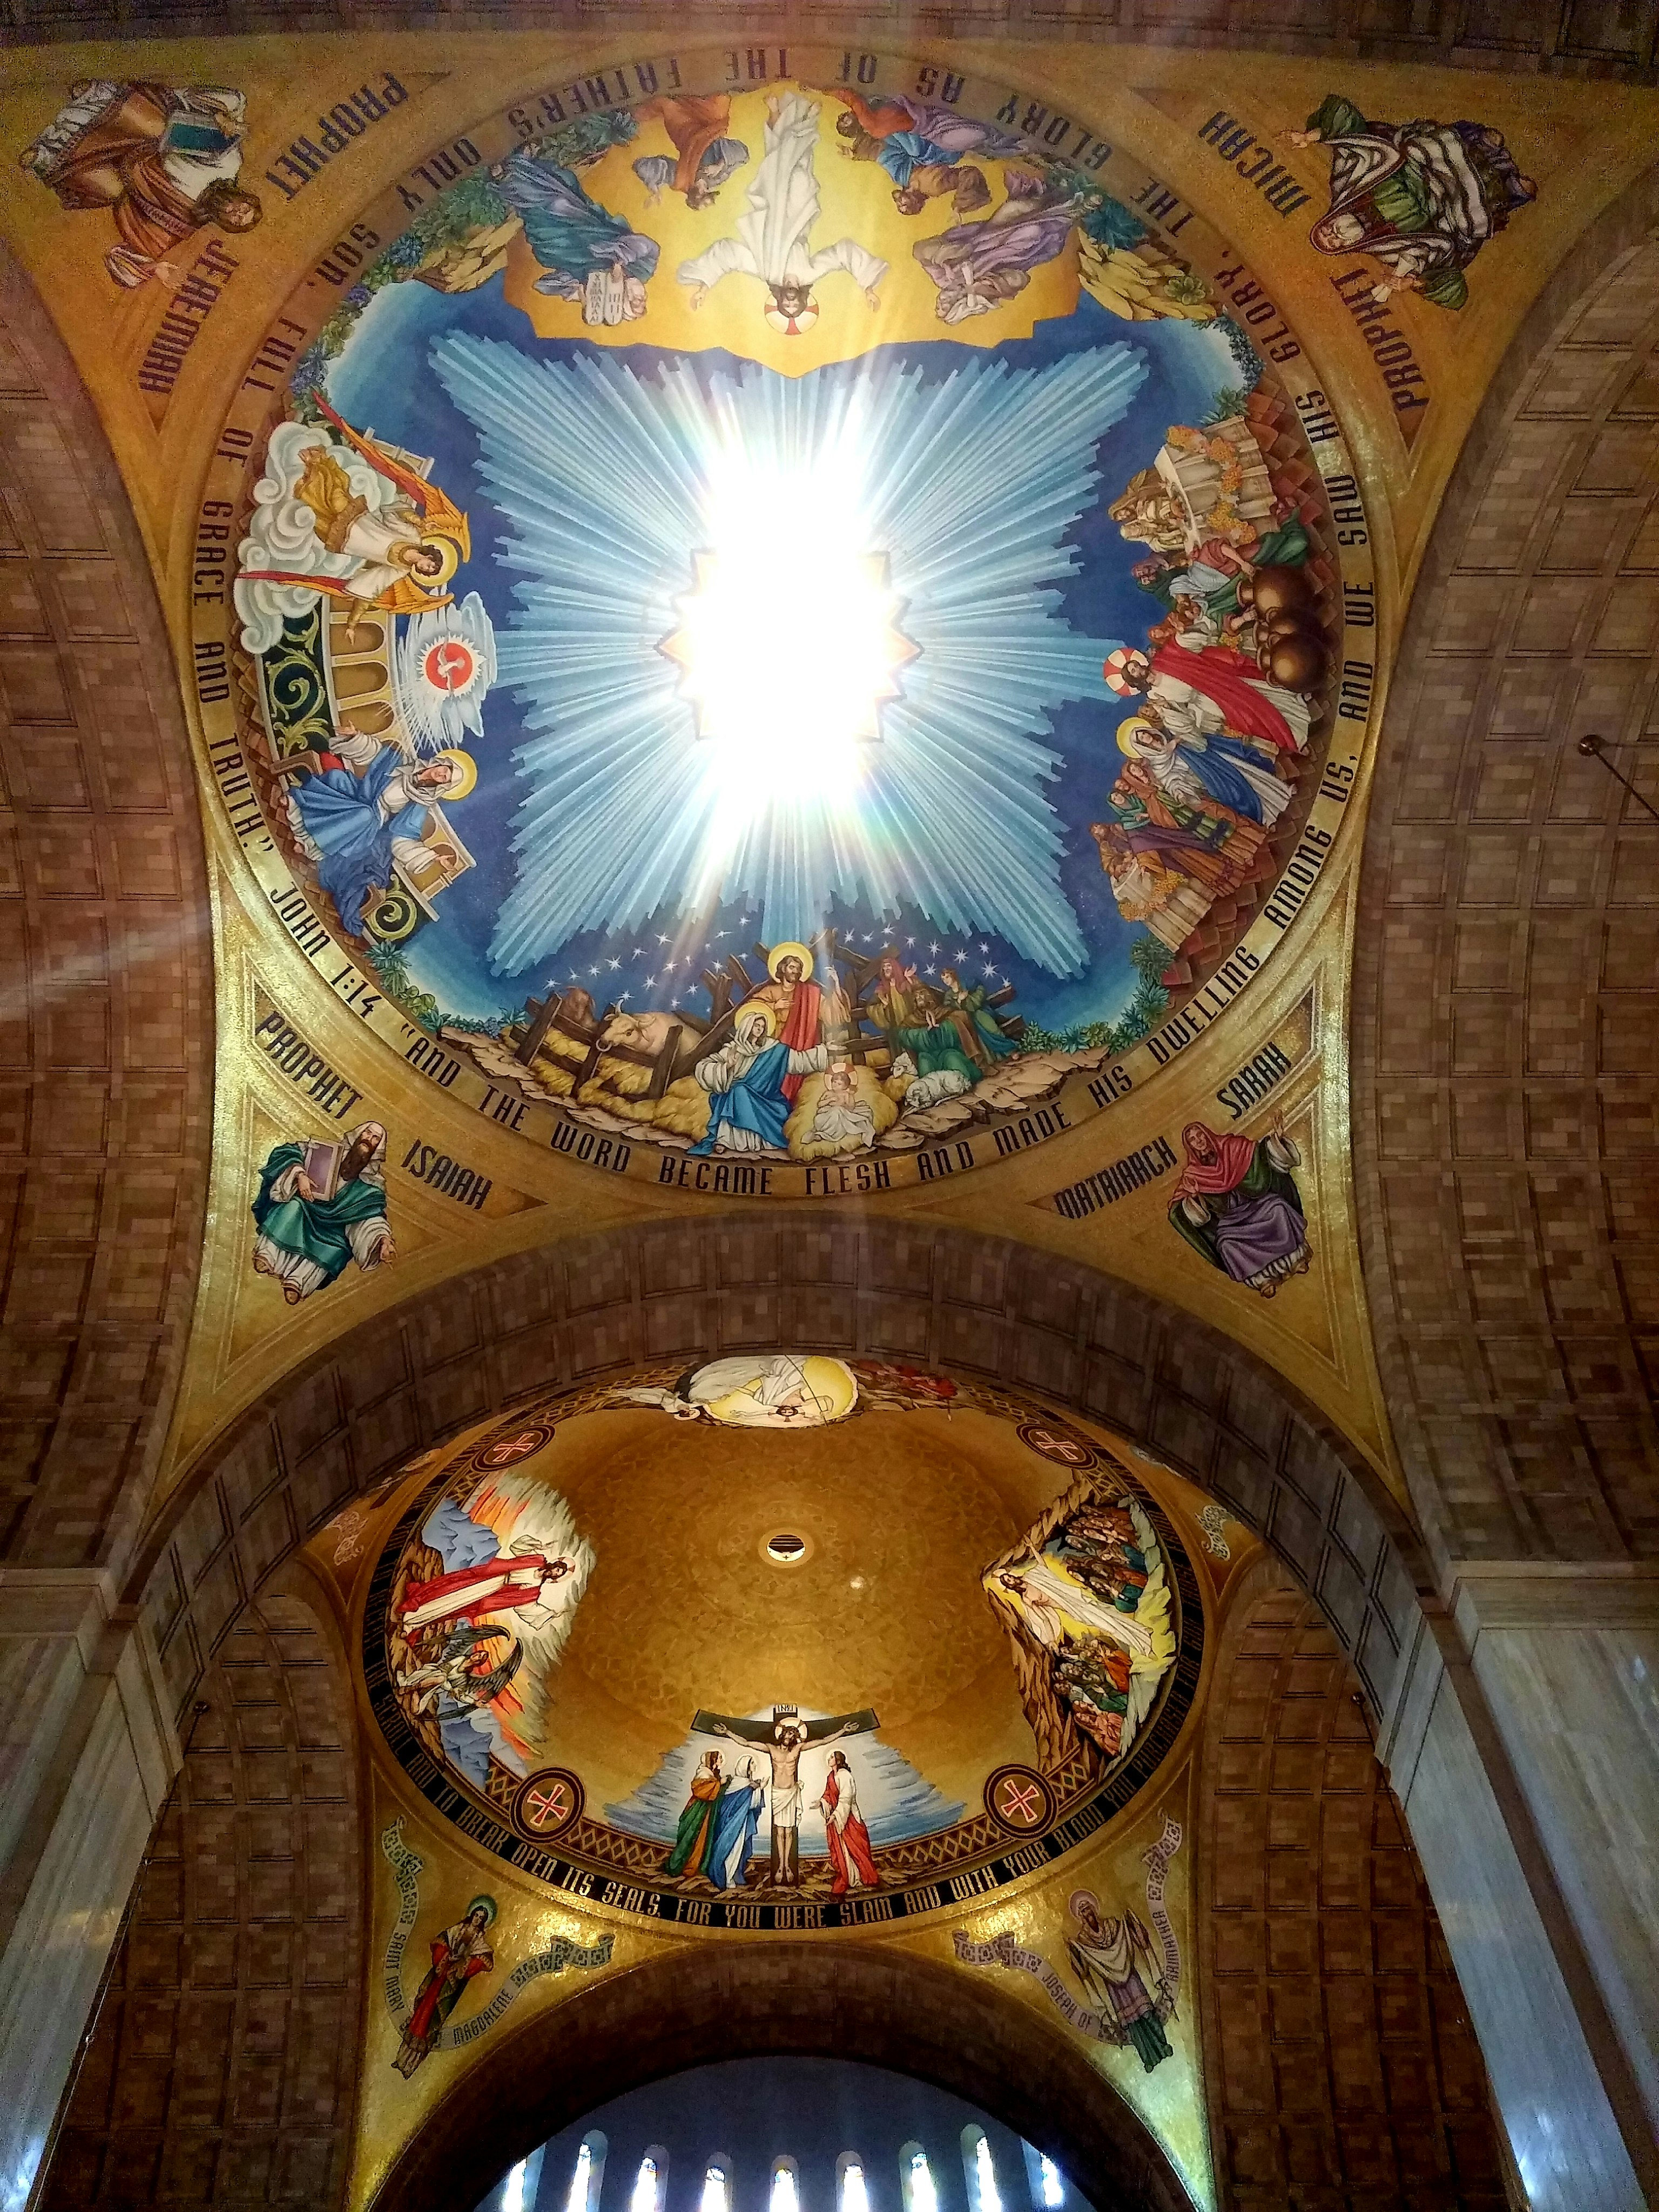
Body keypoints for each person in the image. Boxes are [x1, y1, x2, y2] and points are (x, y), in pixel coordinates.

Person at [1290, 93, 1536, 309]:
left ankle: (1481, 146)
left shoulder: (1345, 181)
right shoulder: (1390, 253)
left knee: (1430, 147)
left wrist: (1310, 137)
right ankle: (1509, 189)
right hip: (1454, 203)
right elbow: (1455, 293)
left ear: (1328, 218)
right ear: (1345, 248)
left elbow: (1345, 118)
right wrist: (1410, 282)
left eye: (1327, 230)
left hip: (1428, 164)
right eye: (1334, 242)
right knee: (1477, 215)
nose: (1336, 234)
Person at [678, 92, 886, 333]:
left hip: (771, 206)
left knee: (775, 164)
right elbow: (843, 254)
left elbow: (728, 255)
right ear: (801, 301)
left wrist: (704, 286)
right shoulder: (810, 274)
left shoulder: (767, 273)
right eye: (793, 305)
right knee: (799, 171)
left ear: (779, 300)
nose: (790, 301)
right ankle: (807, 122)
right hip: (799, 210)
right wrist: (868, 288)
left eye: (785, 305)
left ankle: (776, 114)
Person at [21, 80, 262, 287]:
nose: (236, 213)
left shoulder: (186, 220)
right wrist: (225, 120)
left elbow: (132, 257)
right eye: (244, 210)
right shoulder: (230, 163)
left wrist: (155, 267)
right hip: (154, 134)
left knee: (114, 191)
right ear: (245, 198)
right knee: (157, 128)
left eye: (237, 221)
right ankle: (96, 96)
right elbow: (237, 102)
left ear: (226, 224)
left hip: (129, 166)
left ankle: (49, 153)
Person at [279, 745, 474, 935]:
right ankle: (298, 805)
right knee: (339, 780)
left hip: (375, 817)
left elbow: (405, 835)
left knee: (363, 817)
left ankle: (308, 843)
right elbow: (373, 753)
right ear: (440, 763)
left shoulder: (421, 802)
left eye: (445, 778)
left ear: (443, 786)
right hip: (362, 793)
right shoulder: (402, 763)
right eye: (444, 770)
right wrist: (354, 738)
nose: (440, 775)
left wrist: (431, 857)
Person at [493, 150, 659, 320]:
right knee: (562, 195)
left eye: (632, 300)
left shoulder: (601, 285)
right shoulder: (644, 270)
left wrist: (582, 294)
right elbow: (649, 248)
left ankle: (506, 181)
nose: (637, 295)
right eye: (642, 298)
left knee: (543, 217)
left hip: (563, 248)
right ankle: (524, 165)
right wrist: (620, 257)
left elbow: (569, 284)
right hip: (587, 226)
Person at [912, 167, 1081, 323]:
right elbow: (1019, 280)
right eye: (945, 308)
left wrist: (946, 256)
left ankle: (1058, 193)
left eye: (938, 305)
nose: (942, 301)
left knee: (1016, 207)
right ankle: (1075, 209)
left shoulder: (942, 279)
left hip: (989, 234)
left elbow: (920, 252)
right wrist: (979, 287)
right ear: (957, 306)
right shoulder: (980, 293)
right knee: (1034, 231)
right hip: (1012, 252)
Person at [251, 1121, 394, 1303]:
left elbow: (371, 1216)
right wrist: (300, 1175)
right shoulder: (326, 1152)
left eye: (375, 1138)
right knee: (294, 1207)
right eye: (367, 1133)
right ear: (358, 1134)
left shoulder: (371, 1186)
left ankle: (298, 1282)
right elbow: (288, 1152)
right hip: (306, 1205)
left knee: (339, 1247)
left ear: (378, 1148)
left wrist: (383, 1240)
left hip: (333, 1226)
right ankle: (268, 1255)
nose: (369, 1139)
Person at [1168, 1118, 1312, 1296]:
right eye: (1194, 1140)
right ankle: (1263, 1279)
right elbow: (1181, 1210)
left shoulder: (1232, 1147)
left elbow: (1258, 1153)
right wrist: (1195, 1196)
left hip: (1258, 1205)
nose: (1199, 1141)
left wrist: (1276, 1141)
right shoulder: (1193, 1175)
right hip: (1232, 1220)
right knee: (1227, 1244)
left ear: (1207, 1134)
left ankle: (1295, 1260)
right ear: (1191, 1147)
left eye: (1200, 1136)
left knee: (1278, 1209)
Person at [689, 1003, 830, 1156]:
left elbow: (799, 1061)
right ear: (746, 1026)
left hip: (766, 1097)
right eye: (756, 1025)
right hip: (738, 1094)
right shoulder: (733, 1049)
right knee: (737, 1092)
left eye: (762, 1026)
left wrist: (823, 1052)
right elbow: (704, 1066)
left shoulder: (774, 1049)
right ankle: (725, 1140)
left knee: (739, 1092)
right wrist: (726, 1067)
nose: (759, 1029)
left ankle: (753, 1141)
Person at [1115, 714, 1291, 831]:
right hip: (1204, 778)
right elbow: (1171, 780)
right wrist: (1179, 793)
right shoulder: (1157, 764)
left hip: (1211, 761)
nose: (1146, 737)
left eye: (1144, 733)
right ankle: (1268, 817)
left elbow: (1194, 736)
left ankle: (1282, 794)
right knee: (1236, 794)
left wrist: (1180, 740)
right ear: (1142, 747)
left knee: (1247, 774)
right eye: (1141, 739)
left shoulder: (1170, 736)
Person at [1067, 1893, 1172, 2073]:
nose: (1087, 1914)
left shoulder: (1111, 1924)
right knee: (1132, 2025)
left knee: (1147, 2013)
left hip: (1131, 1978)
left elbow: (1131, 1936)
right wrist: (1075, 1953)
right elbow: (1084, 1969)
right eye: (1083, 1912)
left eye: (1088, 1909)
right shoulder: (1083, 1940)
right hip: (1115, 1989)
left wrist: (1131, 1923)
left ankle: (1163, 2045)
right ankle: (1147, 2057)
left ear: (1094, 1908)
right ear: (1080, 1916)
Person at [394, 1898, 496, 2076]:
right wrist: (446, 1958)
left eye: (482, 1917)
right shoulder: (457, 1930)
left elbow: (482, 1961)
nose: (478, 1919)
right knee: (420, 2015)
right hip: (438, 1977)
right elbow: (440, 1943)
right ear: (471, 1915)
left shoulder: (479, 1940)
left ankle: (411, 2065)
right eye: (477, 1915)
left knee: (431, 2021)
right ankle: (401, 2059)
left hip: (449, 1985)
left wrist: (463, 1963)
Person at [399, 1543, 575, 1637]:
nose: (554, 1572)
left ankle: (414, 1623)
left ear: (555, 1578)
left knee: (454, 1607)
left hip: (492, 1591)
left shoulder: (535, 1590)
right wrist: (537, 1546)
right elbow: (518, 1547)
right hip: (488, 1579)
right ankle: (417, 1605)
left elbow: (526, 1607)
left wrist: (551, 1614)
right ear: (554, 1564)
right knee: (450, 1591)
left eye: (557, 1574)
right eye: (557, 1568)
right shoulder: (536, 1560)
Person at [739, 943, 834, 1102]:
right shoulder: (771, 991)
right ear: (783, 969)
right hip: (772, 1045)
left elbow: (828, 1011)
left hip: (800, 1045)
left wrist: (836, 985)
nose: (795, 971)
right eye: (792, 967)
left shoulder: (810, 994)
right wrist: (774, 1006)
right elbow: (750, 1011)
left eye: (798, 968)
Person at [633, 95, 747, 208]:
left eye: (701, 195)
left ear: (693, 196)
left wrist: (654, 190)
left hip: (686, 131)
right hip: (711, 124)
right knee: (721, 101)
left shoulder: (682, 180)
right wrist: (720, 165)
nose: (705, 190)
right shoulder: (717, 178)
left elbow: (641, 165)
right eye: (706, 193)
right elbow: (743, 154)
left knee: (666, 104)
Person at [812, 1750, 880, 1897]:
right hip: (838, 1819)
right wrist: (821, 1803)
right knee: (842, 1849)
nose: (829, 1759)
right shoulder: (831, 1777)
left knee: (856, 1847)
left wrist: (835, 1816)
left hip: (849, 1819)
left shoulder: (845, 1775)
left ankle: (864, 1876)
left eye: (832, 1757)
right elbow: (829, 1795)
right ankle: (849, 1877)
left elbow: (846, 1799)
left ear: (838, 1760)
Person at [938, 968, 1017, 1071]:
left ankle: (1011, 1051)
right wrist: (959, 1001)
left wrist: (972, 999)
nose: (946, 981)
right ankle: (996, 1059)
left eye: (947, 977)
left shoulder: (967, 983)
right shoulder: (949, 995)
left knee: (992, 1028)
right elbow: (949, 1009)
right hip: (967, 1017)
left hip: (980, 1011)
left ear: (953, 975)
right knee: (978, 1036)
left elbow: (980, 989)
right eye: (943, 979)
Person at [664, 1750, 725, 1884]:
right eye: (720, 1758)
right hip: (697, 1812)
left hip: (705, 1814)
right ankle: (681, 1866)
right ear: (713, 1760)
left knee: (702, 1840)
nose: (722, 1761)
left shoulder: (713, 1775)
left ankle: (695, 1866)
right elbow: (700, 1791)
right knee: (690, 1837)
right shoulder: (704, 1773)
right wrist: (719, 1784)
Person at [706, 1757, 766, 1890]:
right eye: (752, 1763)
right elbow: (749, 1804)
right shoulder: (741, 1784)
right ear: (745, 1766)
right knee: (731, 1849)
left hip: (740, 1823)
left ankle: (732, 1875)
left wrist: (758, 1789)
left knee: (738, 1850)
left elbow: (749, 1805)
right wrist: (759, 1789)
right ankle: (726, 1877)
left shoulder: (747, 1784)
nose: (755, 1765)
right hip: (732, 1824)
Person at [804, 1062, 878, 1152]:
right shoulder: (828, 1093)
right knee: (831, 1114)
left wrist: (841, 1105)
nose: (835, 1085)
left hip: (839, 1118)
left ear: (845, 1085)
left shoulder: (846, 1094)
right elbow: (820, 1105)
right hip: (824, 1117)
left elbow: (851, 1108)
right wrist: (829, 1101)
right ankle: (823, 1132)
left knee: (838, 1111)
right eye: (834, 1082)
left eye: (839, 1084)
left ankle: (824, 1135)